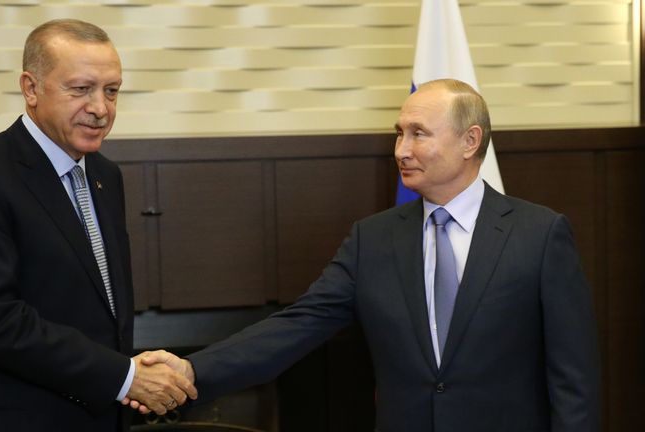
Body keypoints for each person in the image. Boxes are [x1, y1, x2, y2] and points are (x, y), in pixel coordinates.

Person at [133, 79, 600, 431]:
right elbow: (296, 327)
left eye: (419, 134)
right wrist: (193, 369)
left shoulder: (539, 234)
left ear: (470, 141)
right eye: (399, 133)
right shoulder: (373, 240)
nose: (401, 150)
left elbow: (573, 377)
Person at [0, 19, 196, 432]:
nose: (100, 108)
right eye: (80, 89)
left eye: (111, 90)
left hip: (96, 414)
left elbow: (102, 307)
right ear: (31, 88)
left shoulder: (105, 174)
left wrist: (129, 371)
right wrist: (125, 377)